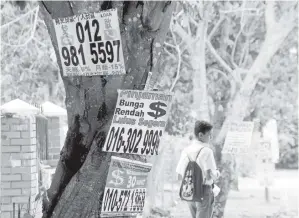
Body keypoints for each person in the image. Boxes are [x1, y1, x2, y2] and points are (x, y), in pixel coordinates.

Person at [176, 120, 220, 218]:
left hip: (189, 190)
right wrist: (217, 173)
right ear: (201, 135)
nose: (211, 137)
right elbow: (212, 175)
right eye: (209, 135)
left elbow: (179, 173)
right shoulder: (207, 151)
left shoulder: (185, 151)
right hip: (204, 190)